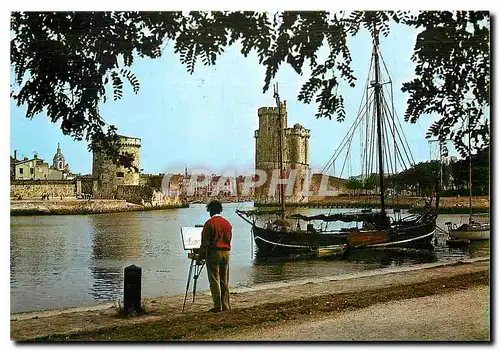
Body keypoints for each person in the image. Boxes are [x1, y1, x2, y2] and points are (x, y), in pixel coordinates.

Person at [200, 199, 232, 313]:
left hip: (214, 253)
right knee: (224, 280)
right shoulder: (227, 223)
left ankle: (217, 305)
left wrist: (200, 256)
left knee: (214, 280)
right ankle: (226, 305)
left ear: (210, 211)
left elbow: (205, 243)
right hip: (226, 253)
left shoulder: (209, 223)